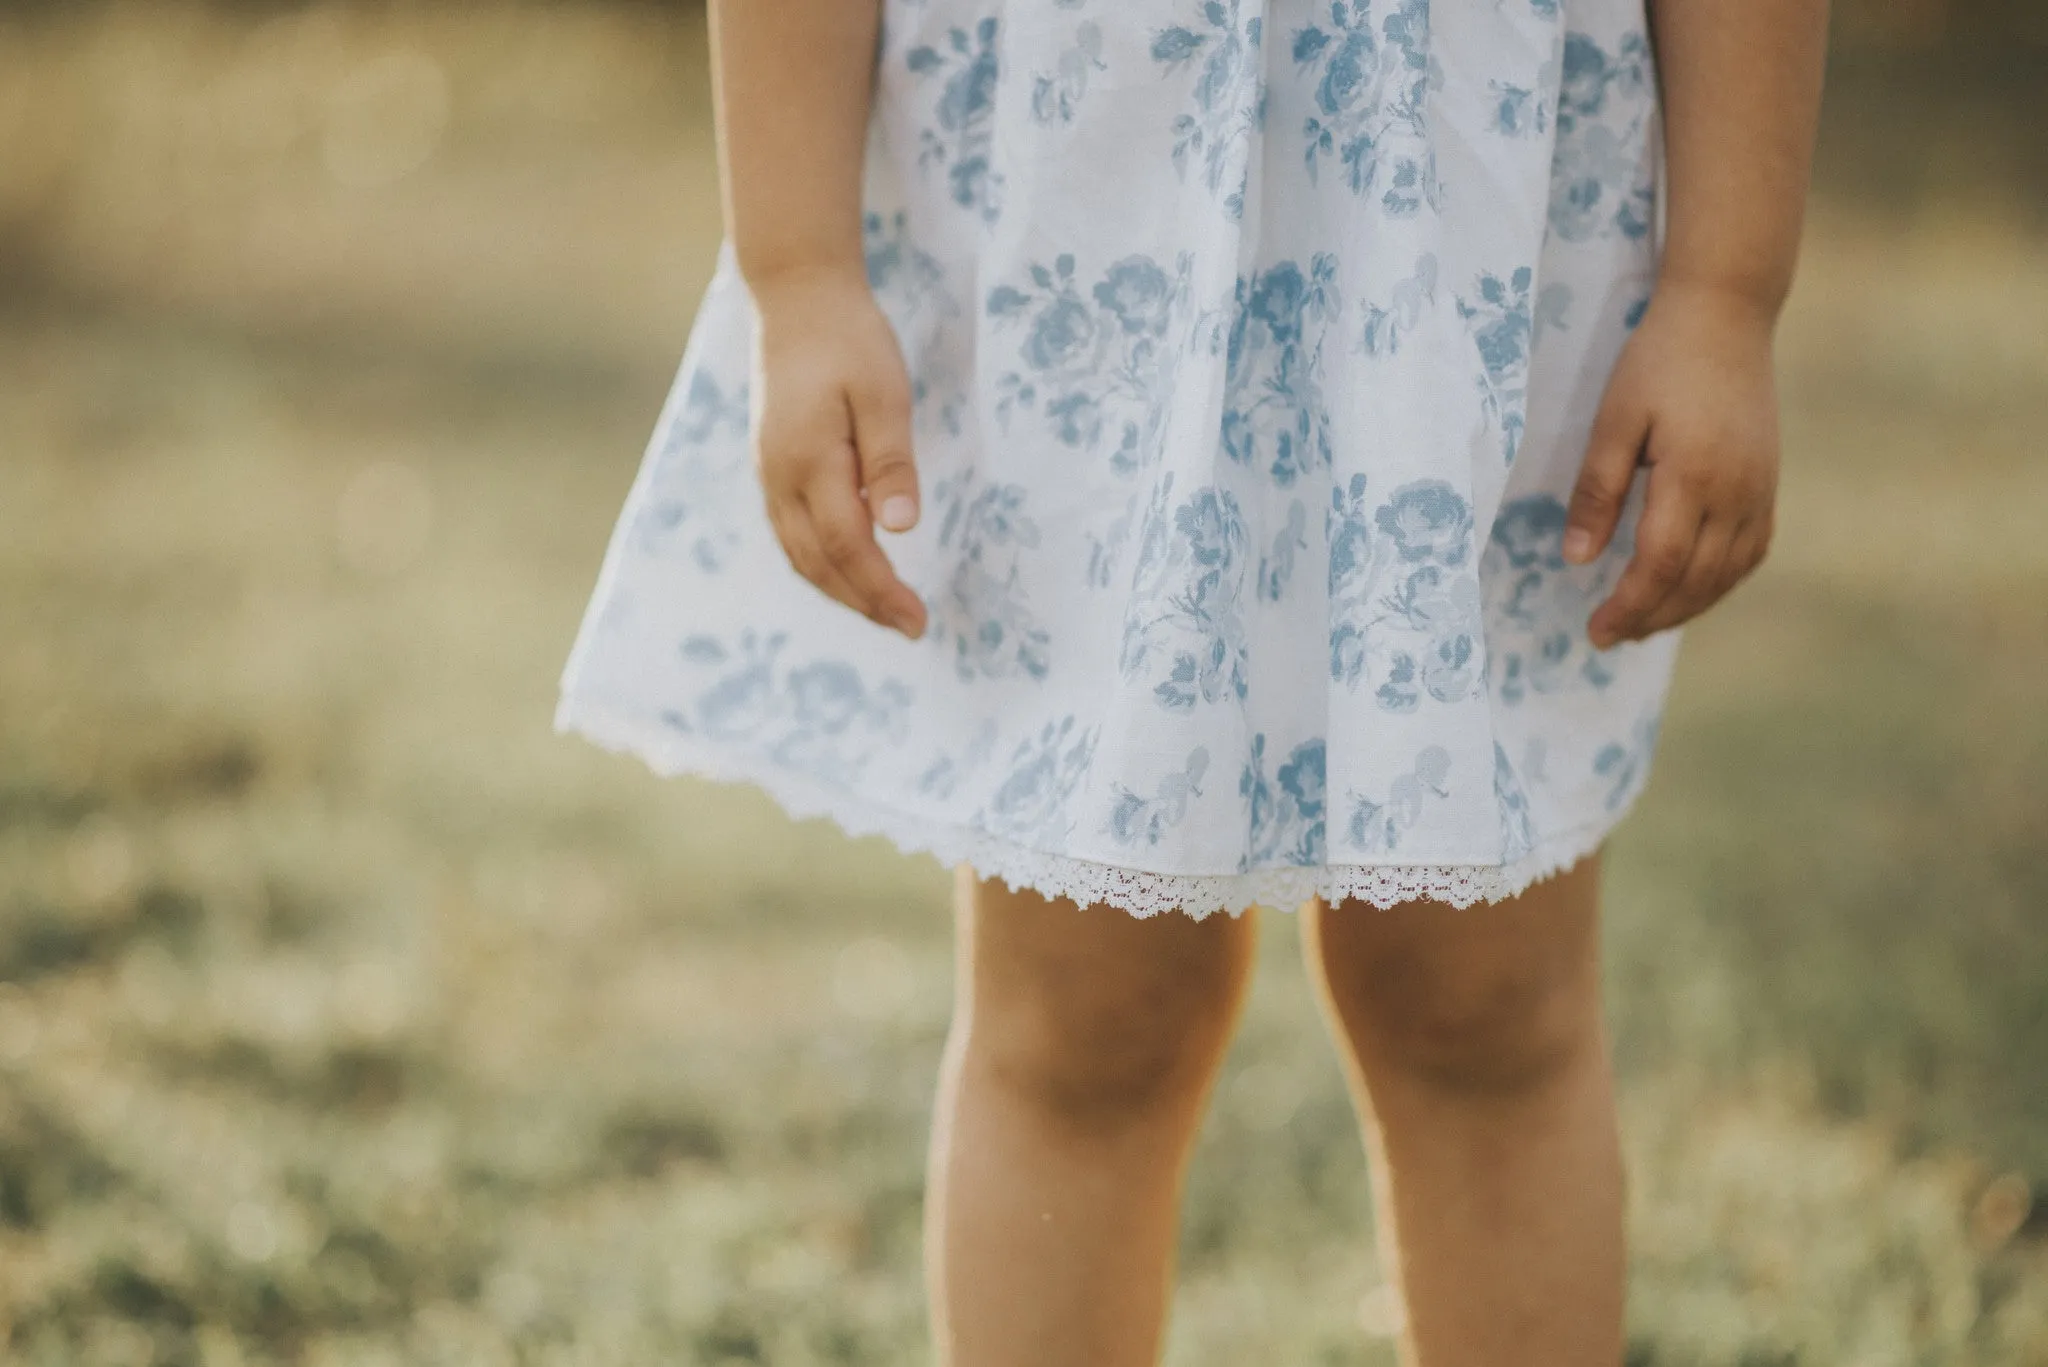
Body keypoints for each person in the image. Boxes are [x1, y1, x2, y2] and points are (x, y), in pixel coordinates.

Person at [553, 0, 1828, 1361]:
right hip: (1088, 233)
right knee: (1084, 1016)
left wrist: (1723, 292)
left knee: (1483, 1003)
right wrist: (798, 271)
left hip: (1480, 240)